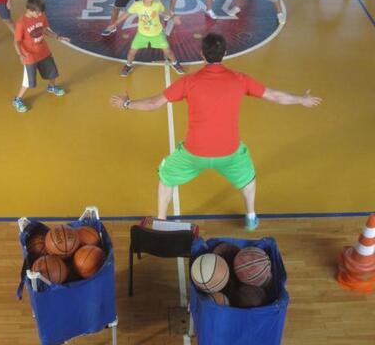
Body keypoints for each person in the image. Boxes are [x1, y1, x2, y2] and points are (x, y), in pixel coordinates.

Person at [110, 33, 322, 229]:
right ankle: (251, 217)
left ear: (202, 54)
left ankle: (162, 221)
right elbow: (275, 96)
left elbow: (153, 103)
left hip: (194, 153)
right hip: (229, 152)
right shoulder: (240, 79)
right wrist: (301, 99)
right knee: (249, 180)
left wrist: (126, 104)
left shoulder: (189, 81)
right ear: (225, 53)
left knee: (166, 178)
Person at [103, 0, 185, 76]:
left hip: (157, 34)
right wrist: (114, 24)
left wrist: (173, 16)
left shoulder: (157, 4)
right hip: (142, 34)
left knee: (168, 52)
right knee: (131, 52)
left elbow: (165, 11)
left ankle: (175, 63)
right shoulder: (137, 5)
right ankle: (128, 65)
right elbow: (125, 14)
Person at [13, 0, 70, 113]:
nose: (40, 15)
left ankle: (51, 87)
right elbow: (17, 41)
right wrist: (20, 55)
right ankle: (18, 99)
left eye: (41, 12)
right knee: (28, 81)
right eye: (37, 13)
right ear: (29, 10)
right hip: (30, 56)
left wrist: (58, 37)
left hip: (43, 51)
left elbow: (45, 30)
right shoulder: (21, 23)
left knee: (52, 72)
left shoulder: (41, 16)